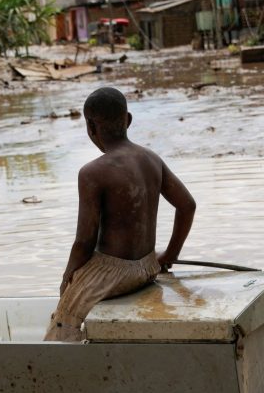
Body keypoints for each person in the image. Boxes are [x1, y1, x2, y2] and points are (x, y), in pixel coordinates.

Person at [44, 87, 196, 342]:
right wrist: (169, 255)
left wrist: (67, 278)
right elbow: (187, 206)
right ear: (128, 120)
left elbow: (84, 242)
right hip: (147, 267)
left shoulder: (92, 173)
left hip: (110, 275)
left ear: (91, 128)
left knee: (62, 322)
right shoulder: (151, 159)